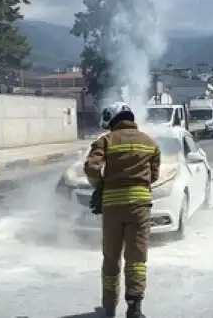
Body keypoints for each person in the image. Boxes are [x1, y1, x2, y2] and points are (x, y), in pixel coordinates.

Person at [84, 101, 161, 318]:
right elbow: (154, 175)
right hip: (140, 207)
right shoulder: (150, 142)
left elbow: (91, 168)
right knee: (136, 258)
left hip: (112, 207)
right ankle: (134, 307)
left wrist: (99, 186)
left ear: (113, 120)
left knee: (111, 257)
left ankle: (109, 307)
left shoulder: (106, 140)